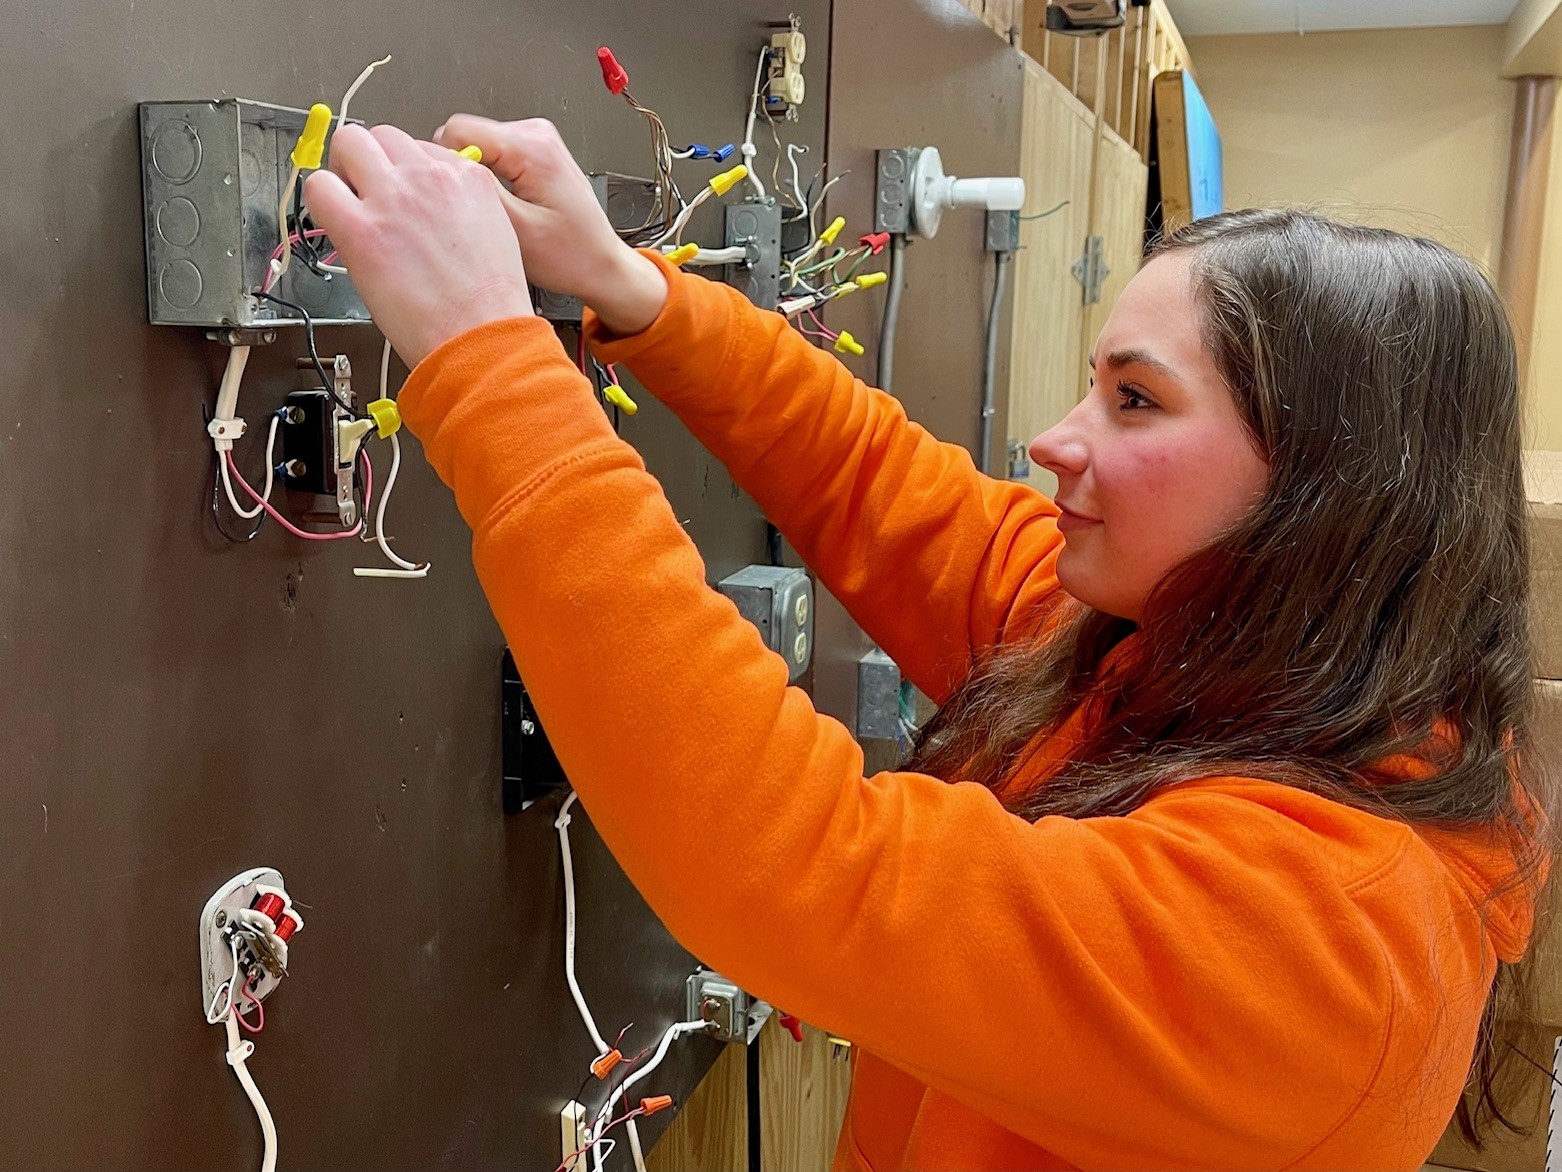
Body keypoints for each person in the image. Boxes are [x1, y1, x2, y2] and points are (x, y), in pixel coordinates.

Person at [303, 116, 1555, 1170]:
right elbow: (890, 492)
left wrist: (488, 365)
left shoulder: (1321, 937)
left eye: (1134, 399)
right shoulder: (1208, 661)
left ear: (1322, 490)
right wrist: (632, 287)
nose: (1058, 441)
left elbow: (795, 858)